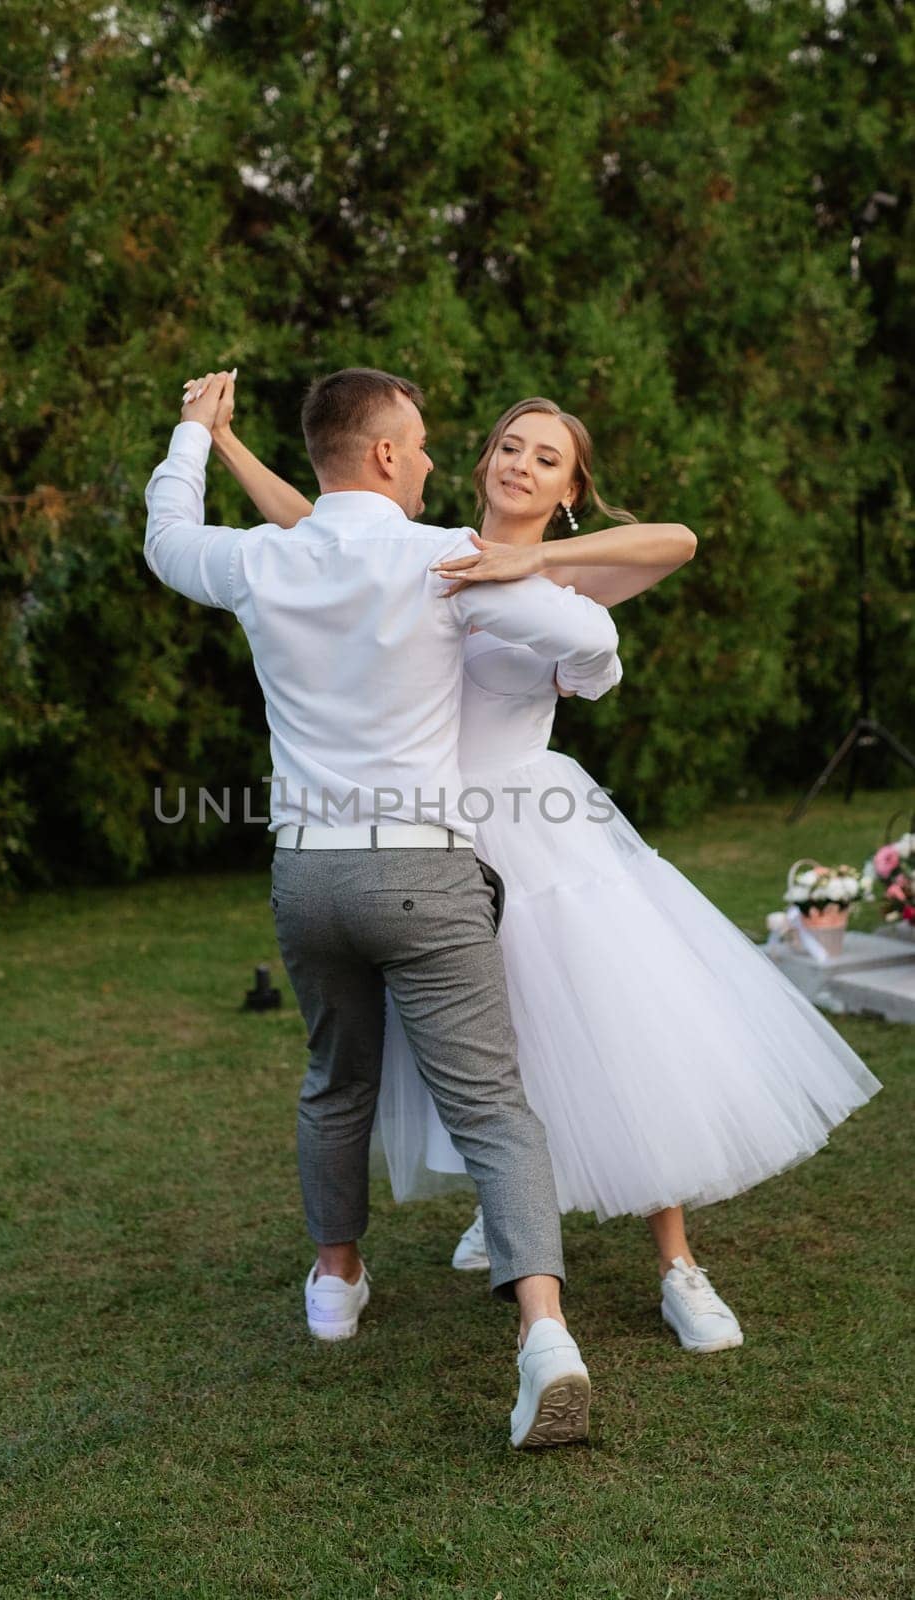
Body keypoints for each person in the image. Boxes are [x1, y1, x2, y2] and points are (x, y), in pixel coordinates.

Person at [205, 381, 883, 1357]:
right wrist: (224, 441)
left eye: (548, 457)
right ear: (479, 462)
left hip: (542, 830)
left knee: (613, 1036)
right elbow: (311, 525)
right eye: (510, 447)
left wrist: (537, 559)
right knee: (493, 1052)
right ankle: (511, 1207)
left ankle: (678, 1264)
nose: (522, 463)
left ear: (569, 489)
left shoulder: (568, 576)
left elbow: (679, 540)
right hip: (431, 839)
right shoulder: (419, 553)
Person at [144, 366, 626, 1449]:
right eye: (415, 442)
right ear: (381, 455)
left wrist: (193, 436)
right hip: (425, 873)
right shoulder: (441, 558)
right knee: (495, 1108)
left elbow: (169, 541)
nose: (428, 458)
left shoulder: (265, 559)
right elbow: (593, 649)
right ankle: (545, 1338)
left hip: (309, 878)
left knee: (334, 1080)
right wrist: (539, 592)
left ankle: (335, 1282)